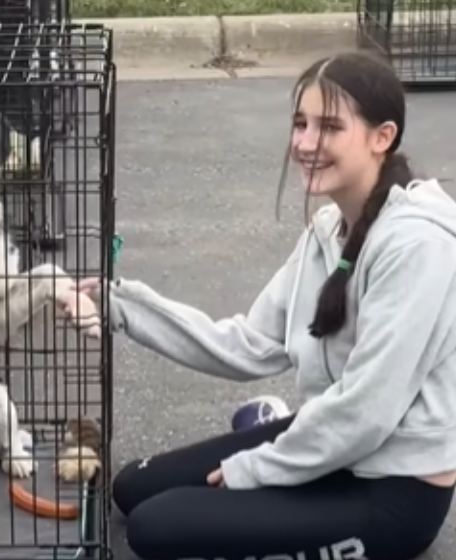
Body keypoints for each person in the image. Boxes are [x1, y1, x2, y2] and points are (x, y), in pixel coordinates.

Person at [59, 50, 456, 560]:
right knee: (132, 489)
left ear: (383, 137)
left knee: (157, 529)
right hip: (333, 446)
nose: (306, 143)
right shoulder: (327, 232)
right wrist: (121, 306)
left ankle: (276, 442)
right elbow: (249, 344)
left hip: (394, 488)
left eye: (330, 127)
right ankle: (275, 429)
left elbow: (366, 412)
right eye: (300, 124)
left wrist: (256, 468)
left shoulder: (418, 246)